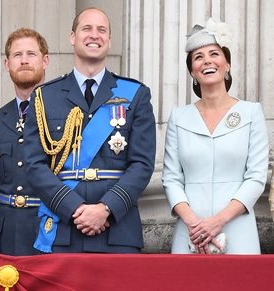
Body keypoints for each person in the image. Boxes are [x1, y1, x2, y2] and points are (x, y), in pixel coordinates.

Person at [22, 8, 156, 253]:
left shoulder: (135, 94)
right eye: (87, 29)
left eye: (101, 30)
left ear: (109, 40)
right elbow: (34, 165)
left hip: (117, 229)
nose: (94, 35)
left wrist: (106, 208)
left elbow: (142, 164)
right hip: (64, 228)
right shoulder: (44, 97)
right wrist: (74, 208)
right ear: (73, 37)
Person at [162, 19, 267, 254]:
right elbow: (171, 178)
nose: (207, 61)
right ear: (192, 71)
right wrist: (194, 223)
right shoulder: (179, 117)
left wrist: (218, 220)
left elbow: (256, 177)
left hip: (237, 228)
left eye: (214, 54)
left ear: (227, 64)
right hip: (190, 232)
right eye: (198, 57)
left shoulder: (251, 112)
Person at [0, 28, 50, 255]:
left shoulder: (63, 112)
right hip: (6, 233)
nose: (24, 61)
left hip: (47, 229)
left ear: (45, 61)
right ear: (6, 64)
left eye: (31, 54)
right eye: (17, 55)